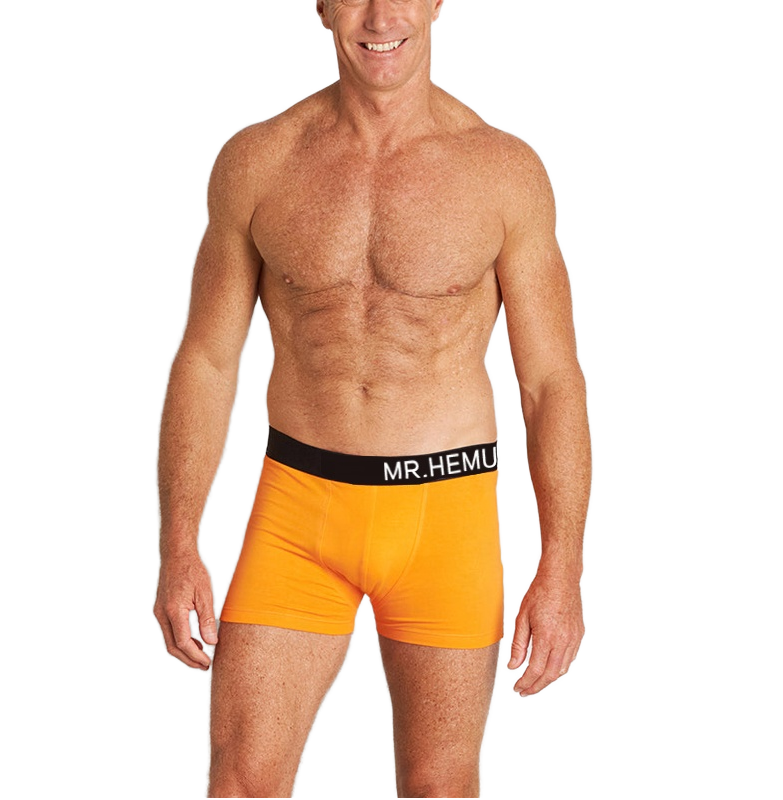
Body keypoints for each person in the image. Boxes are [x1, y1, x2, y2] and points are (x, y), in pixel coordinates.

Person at [154, 1, 591, 796]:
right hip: (298, 513)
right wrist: (178, 543)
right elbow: (208, 360)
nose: (380, 15)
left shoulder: (502, 171)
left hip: (444, 516)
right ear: (322, 6)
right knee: (241, 783)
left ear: (437, 3)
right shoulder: (259, 161)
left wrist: (563, 566)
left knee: (438, 786)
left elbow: (550, 381)